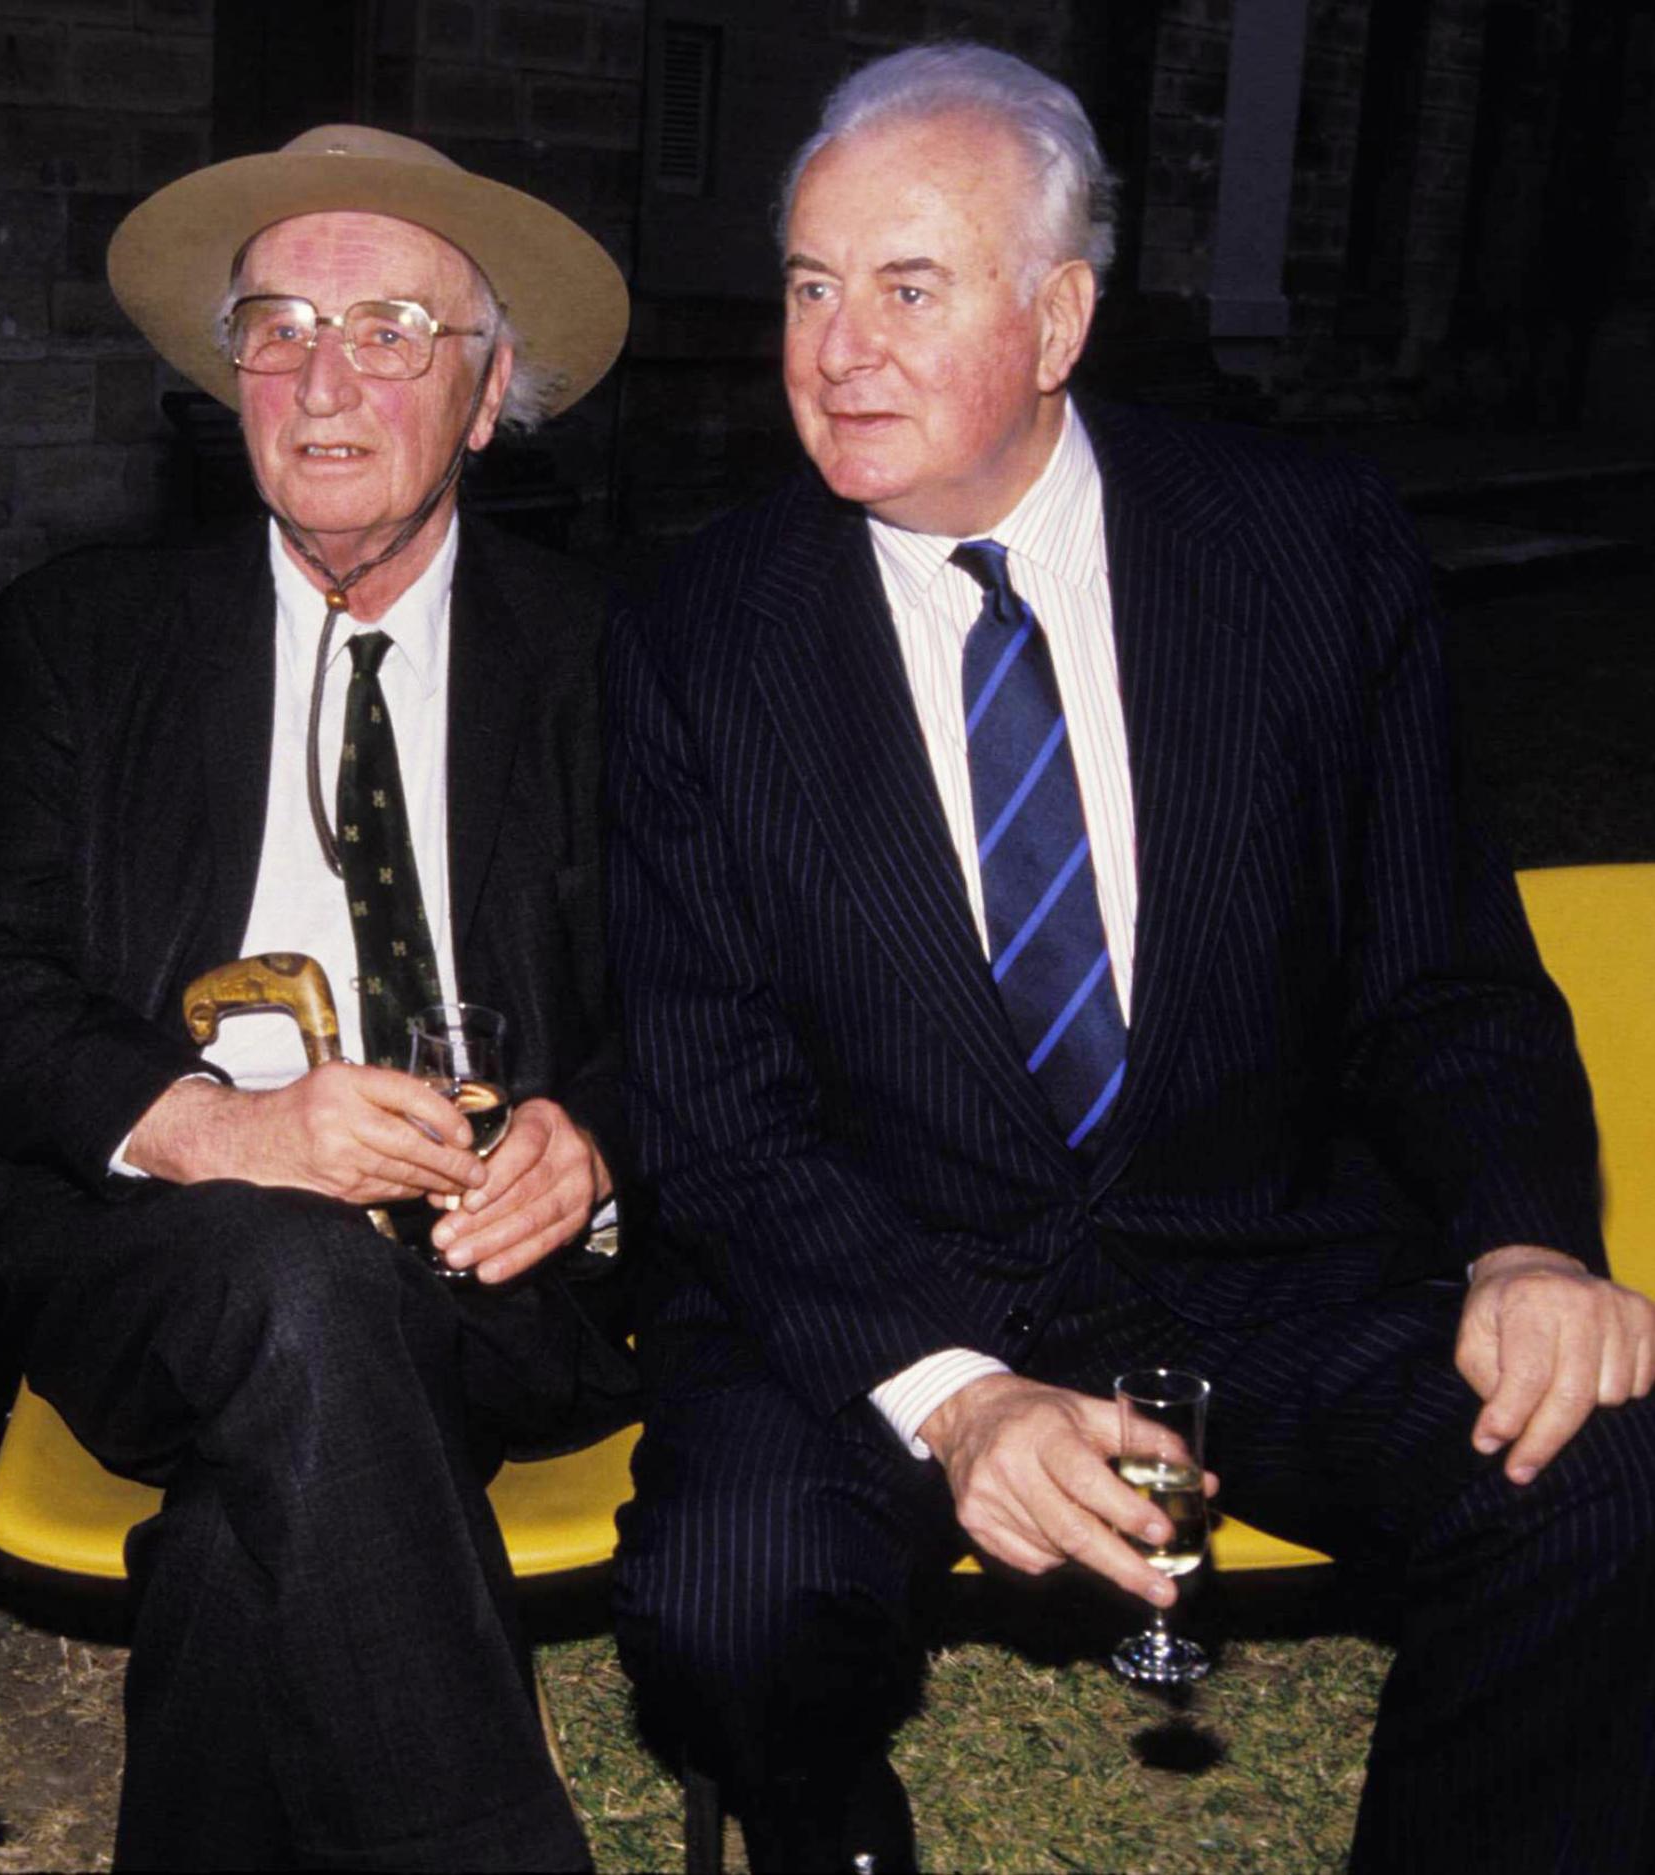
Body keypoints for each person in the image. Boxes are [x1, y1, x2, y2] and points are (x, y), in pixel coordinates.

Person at [602, 42, 1655, 1875]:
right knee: (728, 1598)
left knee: (1608, 1473)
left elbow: (1444, 969)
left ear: (1062, 314)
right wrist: (959, 1392)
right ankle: (836, 1835)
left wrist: (1524, 1236)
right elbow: (717, 1105)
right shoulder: (700, 629)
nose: (835, 349)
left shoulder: (1307, 548)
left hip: (1254, 1259)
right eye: (808, 288)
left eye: (908, 289)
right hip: (877, 1274)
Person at [0, 126, 635, 1870]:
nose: (322, 380)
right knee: (291, 1272)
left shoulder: (612, 655)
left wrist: (598, 1138)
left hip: (494, 1277)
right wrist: (221, 1129)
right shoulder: (88, 634)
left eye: (390, 331)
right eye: (277, 327)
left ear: (486, 397)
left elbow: (724, 994)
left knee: (256, 1539)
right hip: (158, 1262)